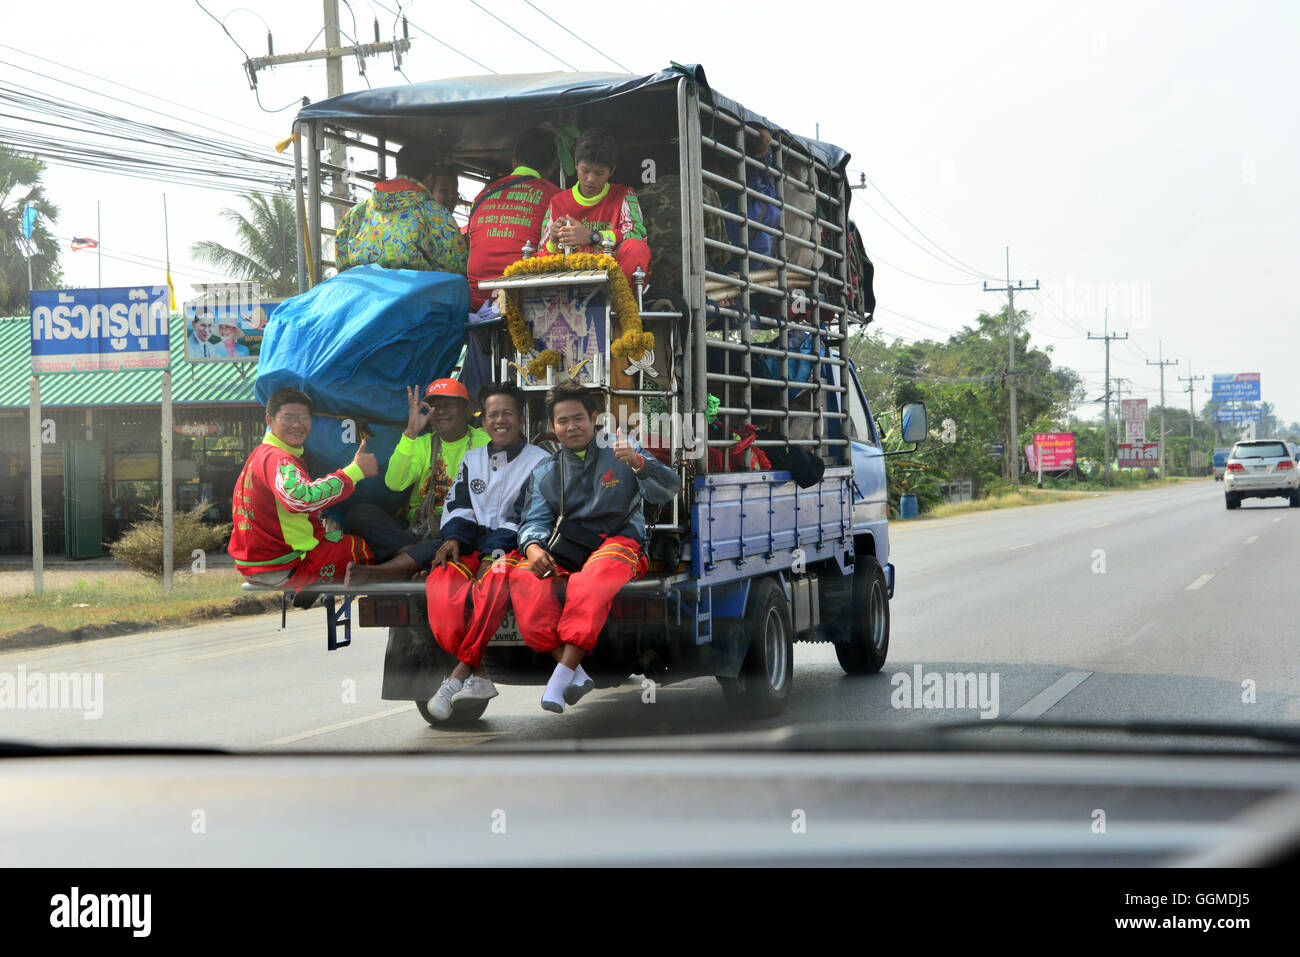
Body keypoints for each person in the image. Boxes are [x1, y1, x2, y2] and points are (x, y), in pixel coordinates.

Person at [508, 381, 678, 713]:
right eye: (562, 421)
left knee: (591, 579)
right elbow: (534, 520)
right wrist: (532, 548)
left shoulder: (623, 448)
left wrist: (640, 465)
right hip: (568, 549)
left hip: (620, 545)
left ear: (594, 418)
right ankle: (576, 672)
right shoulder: (546, 470)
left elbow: (668, 490)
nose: (571, 427)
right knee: (524, 577)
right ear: (552, 426)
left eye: (578, 418)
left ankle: (560, 677)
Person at [420, 383, 550, 719]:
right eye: (493, 414)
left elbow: (527, 513)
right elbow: (459, 503)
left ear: (521, 419)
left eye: (507, 413)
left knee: (494, 580)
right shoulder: (473, 457)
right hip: (471, 541)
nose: (500, 420)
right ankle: (477, 674)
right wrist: (453, 539)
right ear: (484, 420)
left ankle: (459, 675)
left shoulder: (541, 461)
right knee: (441, 581)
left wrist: (494, 553)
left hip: (515, 546)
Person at [229, 388, 380, 589]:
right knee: (368, 549)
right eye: (288, 418)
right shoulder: (278, 458)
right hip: (285, 565)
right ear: (269, 420)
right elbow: (299, 498)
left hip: (260, 564)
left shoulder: (262, 454)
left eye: (304, 418)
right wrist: (355, 472)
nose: (297, 425)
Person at [343, 378, 489, 584]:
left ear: (467, 410)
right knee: (359, 513)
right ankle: (416, 559)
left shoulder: (485, 442)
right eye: (434, 406)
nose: (441, 411)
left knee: (447, 539)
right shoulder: (420, 443)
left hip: (461, 528)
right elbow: (394, 483)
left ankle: (381, 572)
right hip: (419, 529)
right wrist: (410, 432)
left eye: (449, 405)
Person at [539, 127, 651, 285]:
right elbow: (542, 250)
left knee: (637, 248)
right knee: (540, 258)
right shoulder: (558, 202)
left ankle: (619, 304)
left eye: (599, 173)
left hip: (613, 281)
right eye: (585, 170)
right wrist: (554, 239)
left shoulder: (623, 195)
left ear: (611, 171)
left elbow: (636, 235)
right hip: (571, 279)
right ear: (576, 164)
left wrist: (592, 237)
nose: (590, 179)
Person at [333, 144, 468, 275]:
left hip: (362, 292)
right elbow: (457, 268)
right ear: (430, 178)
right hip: (415, 294)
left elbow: (342, 263)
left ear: (399, 168)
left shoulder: (356, 212)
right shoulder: (435, 214)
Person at [465, 128, 560, 311]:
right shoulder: (557, 197)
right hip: (525, 296)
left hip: (478, 301)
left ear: (514, 160)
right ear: (550, 170)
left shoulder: (481, 195)